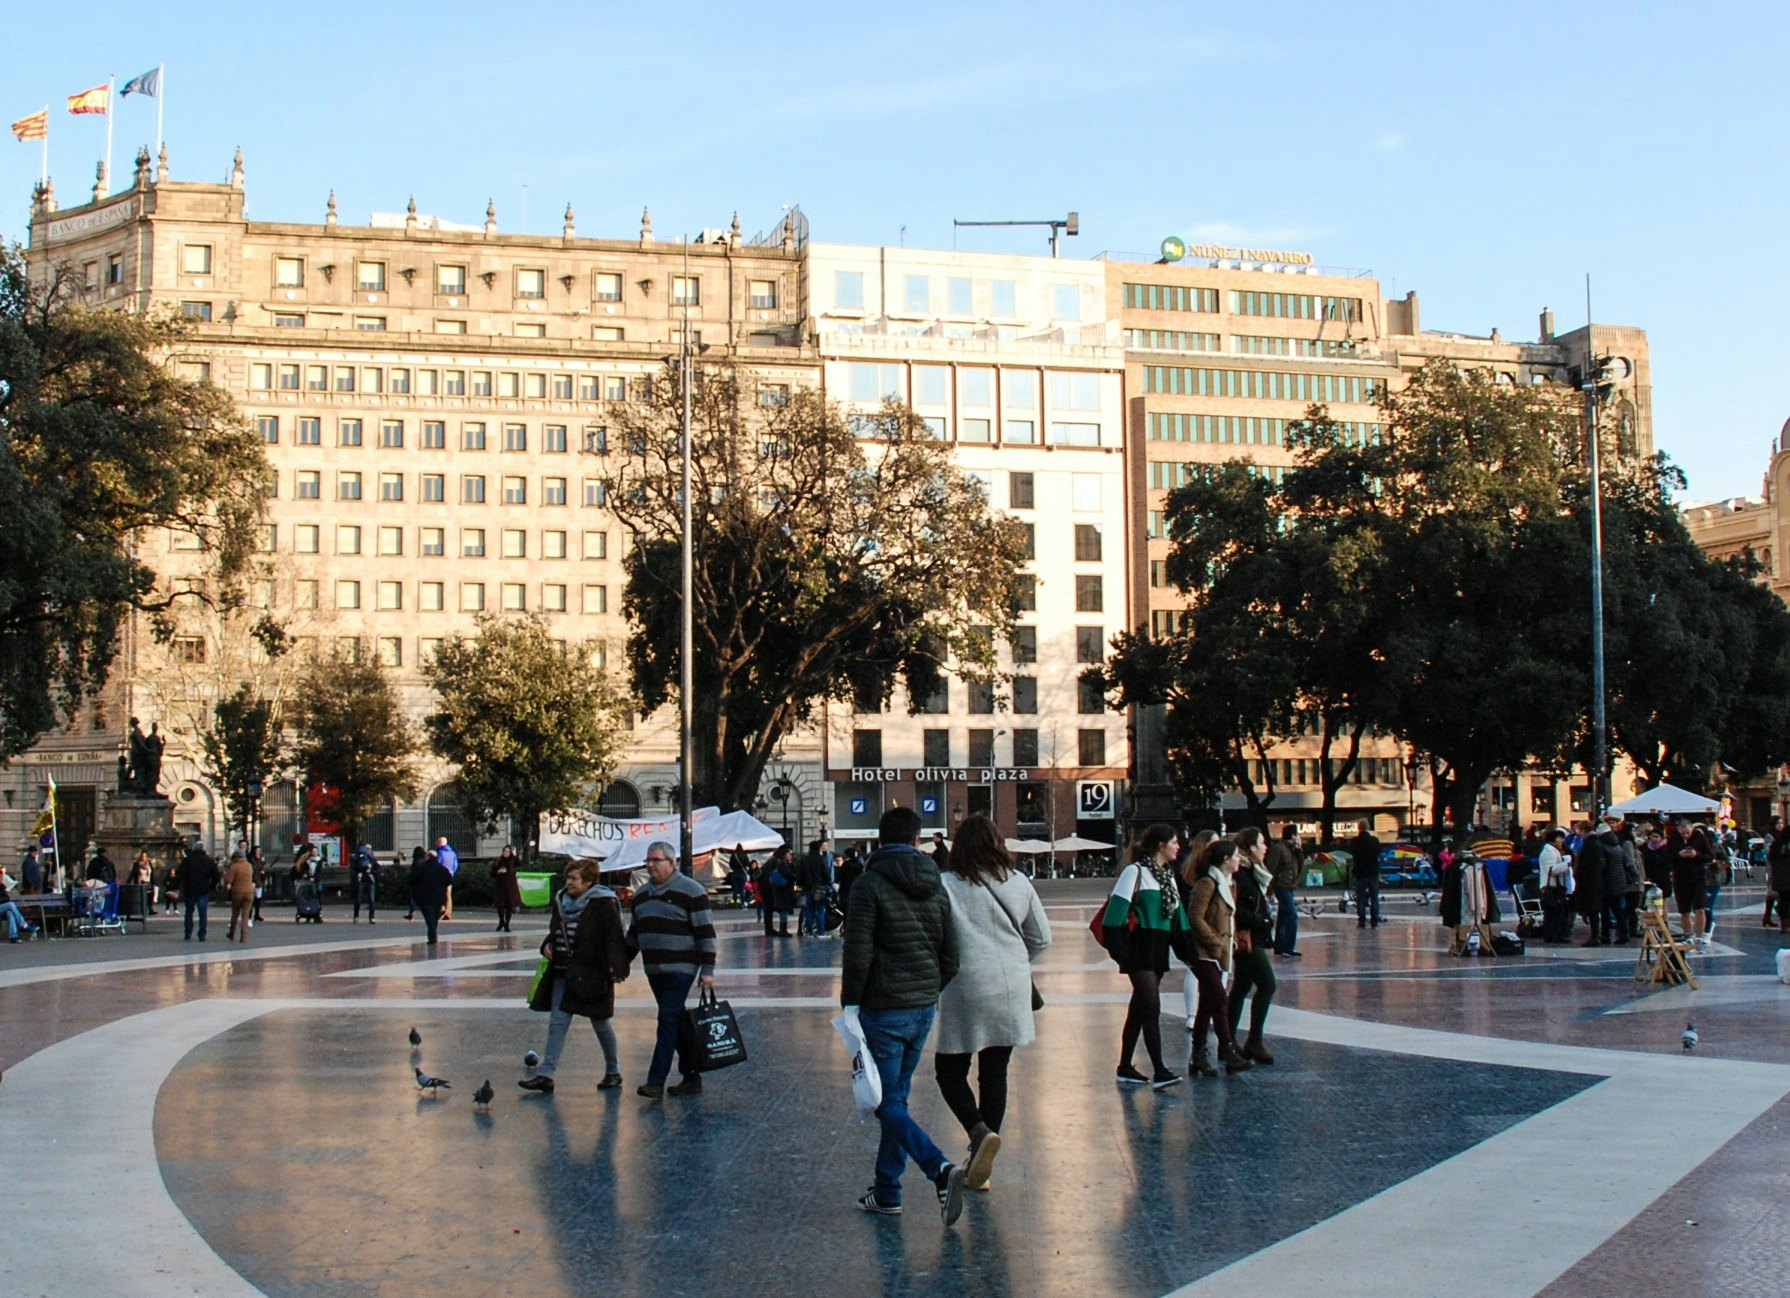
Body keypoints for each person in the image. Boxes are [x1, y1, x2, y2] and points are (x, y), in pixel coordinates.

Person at [840, 805, 966, 1225]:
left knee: (884, 1101)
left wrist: (851, 1003)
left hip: (883, 1008)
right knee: (897, 1097)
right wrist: (930, 988)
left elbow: (857, 952)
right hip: (922, 1008)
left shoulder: (868, 884)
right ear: (917, 841)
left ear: (880, 840)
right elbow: (953, 953)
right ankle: (887, 1190)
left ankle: (939, 1168)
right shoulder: (937, 884)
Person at [932, 814, 1050, 1191]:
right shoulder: (1018, 883)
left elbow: (934, 934)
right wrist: (1015, 959)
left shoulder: (946, 884)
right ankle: (985, 1158)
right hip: (1011, 985)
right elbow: (1041, 938)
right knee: (994, 1071)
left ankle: (979, 1133)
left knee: (950, 1069)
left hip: (965, 984)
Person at [519, 860, 632, 1093]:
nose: (568, 882)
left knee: (601, 1023)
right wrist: (548, 944)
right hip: (564, 971)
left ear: (589, 882)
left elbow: (613, 937)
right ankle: (546, 1075)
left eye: (574, 878)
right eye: (568, 877)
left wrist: (616, 969)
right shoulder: (561, 901)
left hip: (593, 972)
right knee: (557, 1024)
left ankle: (613, 1071)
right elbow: (554, 931)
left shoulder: (603, 903)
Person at [1099, 823, 1188, 1090]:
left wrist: (1191, 955)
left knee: (1139, 1011)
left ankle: (1125, 1067)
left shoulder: (1167, 877)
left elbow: (1178, 921)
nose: (1178, 847)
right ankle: (1160, 1071)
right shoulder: (1134, 873)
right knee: (1151, 1008)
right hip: (1138, 954)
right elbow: (1112, 919)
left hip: (1157, 954)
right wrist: (1122, 955)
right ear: (1161, 846)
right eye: (1174, 842)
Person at [626, 841, 717, 1099]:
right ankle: (691, 1075)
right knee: (674, 1019)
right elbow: (635, 934)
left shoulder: (692, 891)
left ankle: (656, 1081)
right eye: (648, 860)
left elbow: (705, 933)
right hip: (654, 969)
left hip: (681, 967)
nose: (651, 865)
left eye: (656, 860)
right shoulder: (642, 894)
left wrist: (707, 970)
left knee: (667, 1018)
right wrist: (620, 963)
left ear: (671, 862)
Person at [1185, 837, 1253, 1078]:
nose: (1239, 860)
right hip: (1205, 952)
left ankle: (1198, 1055)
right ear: (1225, 859)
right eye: (1235, 856)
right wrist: (1215, 941)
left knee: (1207, 1003)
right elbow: (1195, 917)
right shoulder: (1207, 883)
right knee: (1219, 999)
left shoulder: (1227, 883)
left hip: (1219, 951)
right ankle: (1228, 1050)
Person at [1227, 827, 1278, 1065]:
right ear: (1250, 848)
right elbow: (1236, 908)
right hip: (1247, 939)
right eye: (1261, 843)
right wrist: (1263, 920)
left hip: (1252, 937)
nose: (1265, 847)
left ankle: (1228, 1040)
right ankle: (1253, 1040)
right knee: (1267, 984)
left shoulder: (1253, 871)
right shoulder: (1241, 873)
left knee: (1240, 989)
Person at [1665, 816, 1712, 950]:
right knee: (1684, 909)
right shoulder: (1672, 840)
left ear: (1691, 828)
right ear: (1678, 830)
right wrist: (1679, 855)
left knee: (1699, 908)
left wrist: (1696, 854)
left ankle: (1699, 935)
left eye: (1687, 832)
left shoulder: (1700, 838)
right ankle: (1688, 934)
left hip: (1698, 877)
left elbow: (1710, 856)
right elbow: (1667, 858)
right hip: (1680, 877)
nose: (1685, 835)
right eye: (1682, 833)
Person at [1266, 824, 1303, 958]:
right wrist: (1269, 891)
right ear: (1292, 836)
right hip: (1281, 885)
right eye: (1297, 835)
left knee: (1283, 915)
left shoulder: (1293, 850)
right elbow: (1272, 869)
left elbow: (1300, 864)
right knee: (1292, 916)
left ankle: (1280, 945)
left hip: (1290, 885)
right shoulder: (1278, 849)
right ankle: (1289, 946)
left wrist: (1299, 851)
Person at [177, 839, 219, 941]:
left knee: (189, 912)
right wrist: (211, 886)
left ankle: (188, 933)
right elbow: (216, 875)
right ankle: (202, 934)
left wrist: (183, 886)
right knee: (202, 913)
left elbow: (180, 874)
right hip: (203, 890)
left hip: (190, 889)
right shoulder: (208, 860)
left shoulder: (187, 860)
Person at [409, 849, 452, 948]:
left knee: (429, 916)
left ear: (427, 856)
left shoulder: (421, 868)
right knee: (434, 916)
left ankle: (432, 936)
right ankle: (433, 934)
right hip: (439, 897)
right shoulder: (442, 868)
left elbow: (412, 879)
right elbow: (449, 880)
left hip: (424, 897)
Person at [1538, 828, 1573, 944]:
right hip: (1551, 886)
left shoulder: (1556, 850)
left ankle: (1554, 934)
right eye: (1560, 838)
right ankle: (1552, 935)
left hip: (1556, 886)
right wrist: (1566, 864)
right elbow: (1551, 870)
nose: (1562, 840)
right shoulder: (1549, 852)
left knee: (1555, 912)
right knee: (1553, 912)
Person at [798, 838, 834, 937]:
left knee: (809, 910)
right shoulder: (821, 859)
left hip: (808, 888)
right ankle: (820, 931)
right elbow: (826, 874)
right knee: (820, 909)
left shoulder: (804, 859)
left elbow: (800, 875)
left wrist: (801, 884)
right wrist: (828, 882)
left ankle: (809, 931)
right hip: (819, 888)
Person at [1348, 824, 1382, 928]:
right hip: (1373, 871)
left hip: (1360, 872)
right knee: (1374, 897)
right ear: (1368, 827)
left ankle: (1362, 920)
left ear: (1359, 828)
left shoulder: (1355, 842)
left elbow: (1354, 855)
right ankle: (1374, 920)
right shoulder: (1375, 840)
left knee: (1361, 898)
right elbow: (1378, 854)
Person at [0, 865, 41, 942]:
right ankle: (23, 924)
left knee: (10, 913)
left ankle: (13, 936)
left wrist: (5, 889)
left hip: (2, 908)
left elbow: (5, 899)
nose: (2, 877)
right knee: (10, 905)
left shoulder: (2, 886)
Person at [763, 844, 796, 938]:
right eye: (789, 853)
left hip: (768, 887)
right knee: (780, 909)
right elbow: (789, 875)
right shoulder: (780, 862)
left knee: (769, 909)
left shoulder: (772, 860)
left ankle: (769, 928)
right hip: (774, 889)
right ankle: (776, 929)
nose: (791, 855)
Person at [223, 850, 255, 943]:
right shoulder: (249, 865)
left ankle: (232, 934)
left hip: (237, 893)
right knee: (245, 916)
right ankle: (243, 937)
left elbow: (229, 879)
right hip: (249, 892)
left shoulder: (234, 866)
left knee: (235, 914)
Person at [492, 845, 522, 933]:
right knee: (500, 904)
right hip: (500, 885)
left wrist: (515, 855)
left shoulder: (512, 860)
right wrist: (498, 872)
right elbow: (492, 873)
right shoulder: (498, 860)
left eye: (508, 851)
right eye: (505, 851)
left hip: (510, 885)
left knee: (509, 905)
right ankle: (501, 921)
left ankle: (507, 924)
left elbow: (519, 863)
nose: (506, 853)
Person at [1766, 817, 1790, 927]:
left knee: (1783, 900)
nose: (1780, 825)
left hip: (1779, 876)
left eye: (1782, 823)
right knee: (1781, 899)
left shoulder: (1777, 844)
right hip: (1782, 876)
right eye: (1778, 823)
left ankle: (1784, 924)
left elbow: (1771, 857)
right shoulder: (1772, 838)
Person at [351, 841, 378, 924]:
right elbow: (355, 867)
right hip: (365, 879)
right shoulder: (358, 857)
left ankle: (364, 917)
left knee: (368, 900)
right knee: (366, 899)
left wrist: (370, 869)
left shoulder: (369, 857)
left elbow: (376, 866)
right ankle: (367, 917)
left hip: (367, 879)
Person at [435, 836, 460, 920]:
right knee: (448, 895)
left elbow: (438, 864)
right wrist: (452, 872)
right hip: (450, 875)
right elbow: (455, 865)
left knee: (439, 893)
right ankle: (448, 913)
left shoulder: (440, 852)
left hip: (441, 876)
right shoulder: (453, 853)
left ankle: (442, 909)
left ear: (439, 843)